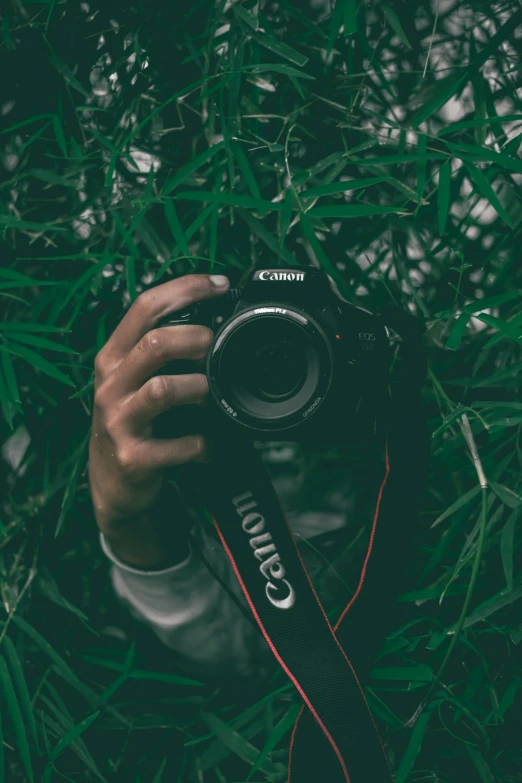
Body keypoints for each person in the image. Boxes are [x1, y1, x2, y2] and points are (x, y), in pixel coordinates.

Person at [89, 272, 410, 680]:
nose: (277, 370)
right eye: (242, 336)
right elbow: (238, 654)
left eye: (314, 336)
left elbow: (255, 654)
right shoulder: (188, 449)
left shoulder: (375, 457)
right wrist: (124, 519)